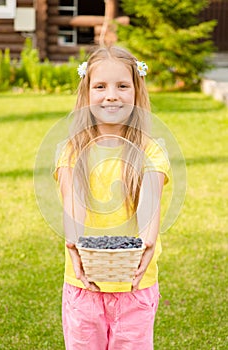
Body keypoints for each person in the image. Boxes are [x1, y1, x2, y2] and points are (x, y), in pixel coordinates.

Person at [54, 46, 170, 350]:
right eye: (100, 86)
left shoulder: (151, 151)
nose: (111, 95)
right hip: (83, 287)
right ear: (86, 92)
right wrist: (74, 244)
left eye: (122, 86)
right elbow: (73, 207)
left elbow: (149, 207)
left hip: (135, 286)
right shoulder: (72, 151)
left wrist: (146, 244)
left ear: (136, 90)